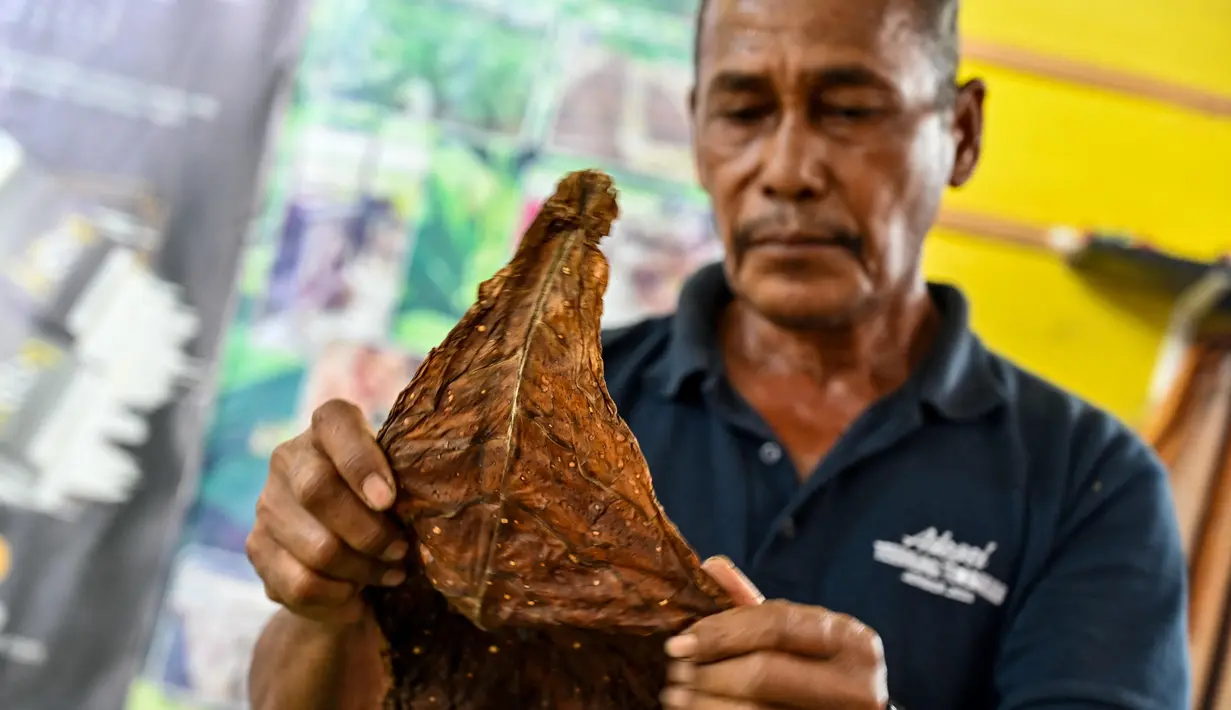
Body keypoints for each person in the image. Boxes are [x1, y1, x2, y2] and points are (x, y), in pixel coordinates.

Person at [244, 0, 1191, 707]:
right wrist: (324, 597)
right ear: (697, 131)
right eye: (743, 113)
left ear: (960, 133)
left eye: (849, 110)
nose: (787, 170)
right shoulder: (532, 420)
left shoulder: (1088, 486)